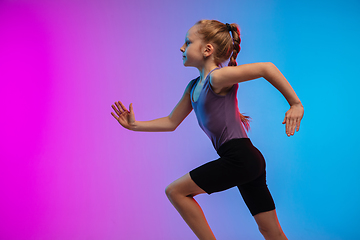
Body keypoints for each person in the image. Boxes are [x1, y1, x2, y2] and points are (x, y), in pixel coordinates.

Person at [111, 19, 304, 240]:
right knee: (271, 232)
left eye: (188, 42)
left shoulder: (217, 78)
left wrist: (295, 104)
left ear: (207, 49)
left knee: (176, 191)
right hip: (247, 159)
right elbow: (171, 122)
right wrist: (135, 126)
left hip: (240, 157)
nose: (182, 48)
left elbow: (266, 68)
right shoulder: (193, 87)